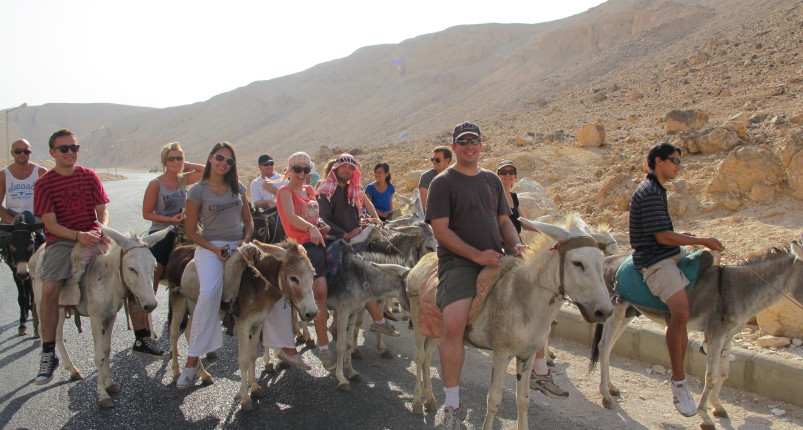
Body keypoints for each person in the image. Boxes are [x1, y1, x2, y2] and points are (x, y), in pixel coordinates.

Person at [32, 129, 167, 386]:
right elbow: (50, 224)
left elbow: (103, 212)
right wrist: (78, 235)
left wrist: (98, 229)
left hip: (95, 236)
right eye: (64, 149)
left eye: (74, 147)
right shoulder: (44, 183)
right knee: (50, 289)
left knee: (129, 269)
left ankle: (141, 336)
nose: (71, 152)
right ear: (53, 153)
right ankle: (48, 351)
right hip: (62, 241)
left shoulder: (88, 176)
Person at [426, 122, 524, 429]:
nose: (470, 145)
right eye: (463, 141)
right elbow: (440, 230)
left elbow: (504, 221)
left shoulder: (492, 180)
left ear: (482, 145)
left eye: (475, 141)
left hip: (496, 257)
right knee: (453, 326)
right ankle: (452, 404)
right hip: (460, 263)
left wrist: (517, 244)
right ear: (454, 147)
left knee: (539, 298)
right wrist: (476, 255)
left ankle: (542, 369)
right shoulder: (443, 183)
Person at [629, 142, 724, 417]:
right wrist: (701, 238)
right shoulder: (648, 192)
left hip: (670, 253)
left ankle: (709, 337)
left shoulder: (659, 190)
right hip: (655, 260)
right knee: (680, 312)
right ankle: (679, 383)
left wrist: (700, 244)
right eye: (674, 160)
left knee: (712, 268)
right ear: (658, 161)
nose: (678, 166)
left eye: (680, 161)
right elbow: (660, 237)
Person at [177, 142, 255, 388]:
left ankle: (285, 347)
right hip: (210, 247)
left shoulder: (237, 187)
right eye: (220, 158)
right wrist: (214, 249)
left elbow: (248, 221)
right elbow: (191, 231)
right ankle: (192, 361)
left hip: (239, 245)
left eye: (229, 160)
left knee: (273, 282)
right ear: (210, 158)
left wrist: (243, 242)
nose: (224, 163)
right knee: (209, 293)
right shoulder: (197, 191)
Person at [496, 160, 568, 399]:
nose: (507, 176)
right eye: (503, 172)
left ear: (515, 176)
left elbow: (523, 222)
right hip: (502, 250)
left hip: (518, 248)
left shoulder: (514, 198)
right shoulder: (494, 196)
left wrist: (551, 231)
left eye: (510, 172)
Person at [316, 154, 400, 347]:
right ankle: (378, 319)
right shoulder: (325, 191)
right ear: (334, 168)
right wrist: (345, 234)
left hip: (355, 237)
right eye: (343, 166)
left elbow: (358, 210)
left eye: (350, 168)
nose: (347, 170)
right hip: (334, 239)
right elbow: (324, 220)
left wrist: (366, 221)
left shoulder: (353, 189)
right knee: (357, 272)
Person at [275, 152, 331, 369]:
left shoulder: (309, 189)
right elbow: (290, 216)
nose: (302, 174)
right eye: (297, 169)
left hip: (319, 240)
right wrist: (311, 228)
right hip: (300, 246)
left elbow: (314, 216)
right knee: (319, 292)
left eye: (306, 170)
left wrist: (321, 225)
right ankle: (324, 347)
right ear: (289, 170)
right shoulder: (284, 191)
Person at [142, 142, 203, 293]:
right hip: (163, 228)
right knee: (158, 264)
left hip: (184, 226)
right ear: (164, 162)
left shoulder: (183, 179)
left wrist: (183, 163)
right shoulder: (155, 184)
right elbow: (146, 213)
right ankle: (150, 297)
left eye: (178, 158)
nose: (175, 162)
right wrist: (170, 220)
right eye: (171, 159)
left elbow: (206, 171)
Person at [1, 138, 47, 225]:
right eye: (18, 151)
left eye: (26, 151)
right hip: (12, 215)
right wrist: (12, 220)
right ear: (12, 153)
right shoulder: (4, 174)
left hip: (36, 217)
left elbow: (50, 200)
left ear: (30, 153)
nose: (22, 154)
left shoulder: (41, 172)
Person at [418, 146, 452, 211]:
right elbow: (425, 207)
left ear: (447, 160)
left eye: (437, 160)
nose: (434, 162)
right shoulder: (426, 177)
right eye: (432, 159)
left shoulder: (455, 176)